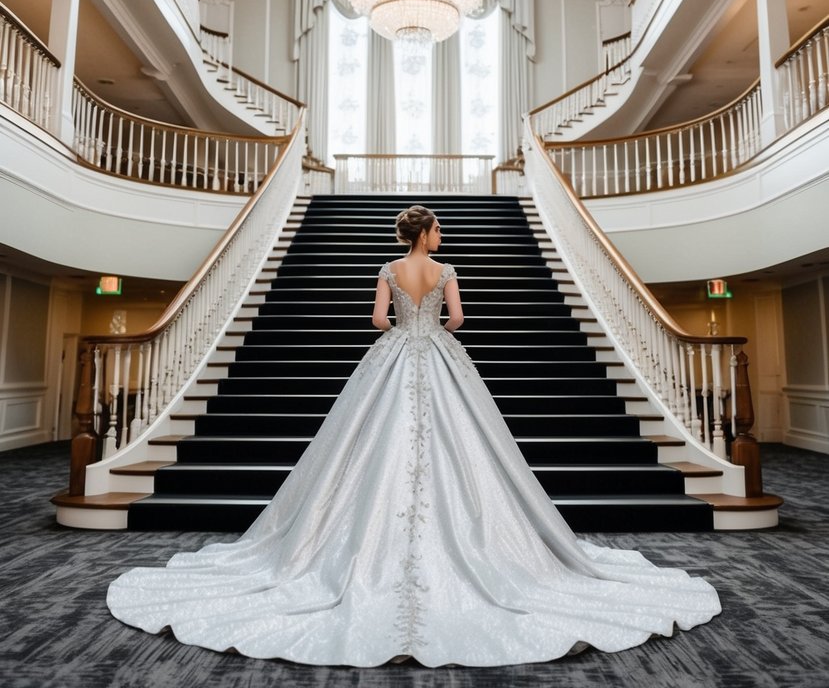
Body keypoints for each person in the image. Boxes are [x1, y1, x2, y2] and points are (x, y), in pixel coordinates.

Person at [107, 204, 720, 666]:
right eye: (438, 231)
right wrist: (439, 318)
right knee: (470, 446)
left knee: (364, 447)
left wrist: (400, 318)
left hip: (396, 355)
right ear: (427, 233)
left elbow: (376, 320)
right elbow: (457, 319)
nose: (442, 238)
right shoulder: (447, 269)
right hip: (441, 358)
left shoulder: (391, 268)